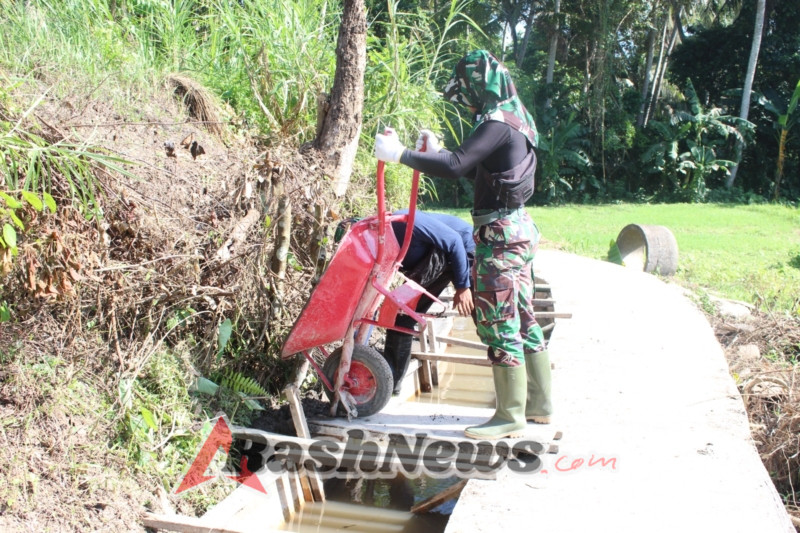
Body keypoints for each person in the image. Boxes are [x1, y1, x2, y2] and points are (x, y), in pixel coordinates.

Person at [374, 50, 552, 440]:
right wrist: (432, 152)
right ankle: (538, 405)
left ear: (480, 85)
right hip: (519, 228)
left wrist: (401, 154)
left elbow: (455, 167)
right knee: (522, 317)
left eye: (468, 92)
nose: (468, 102)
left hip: (500, 236)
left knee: (498, 321)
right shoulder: (519, 119)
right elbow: (473, 166)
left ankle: (509, 415)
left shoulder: (497, 121)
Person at [384, 210, 475, 395]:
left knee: (485, 319)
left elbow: (455, 241)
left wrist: (462, 286)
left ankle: (512, 376)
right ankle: (391, 385)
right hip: (441, 259)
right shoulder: (380, 247)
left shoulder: (405, 222)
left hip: (465, 255)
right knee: (402, 317)